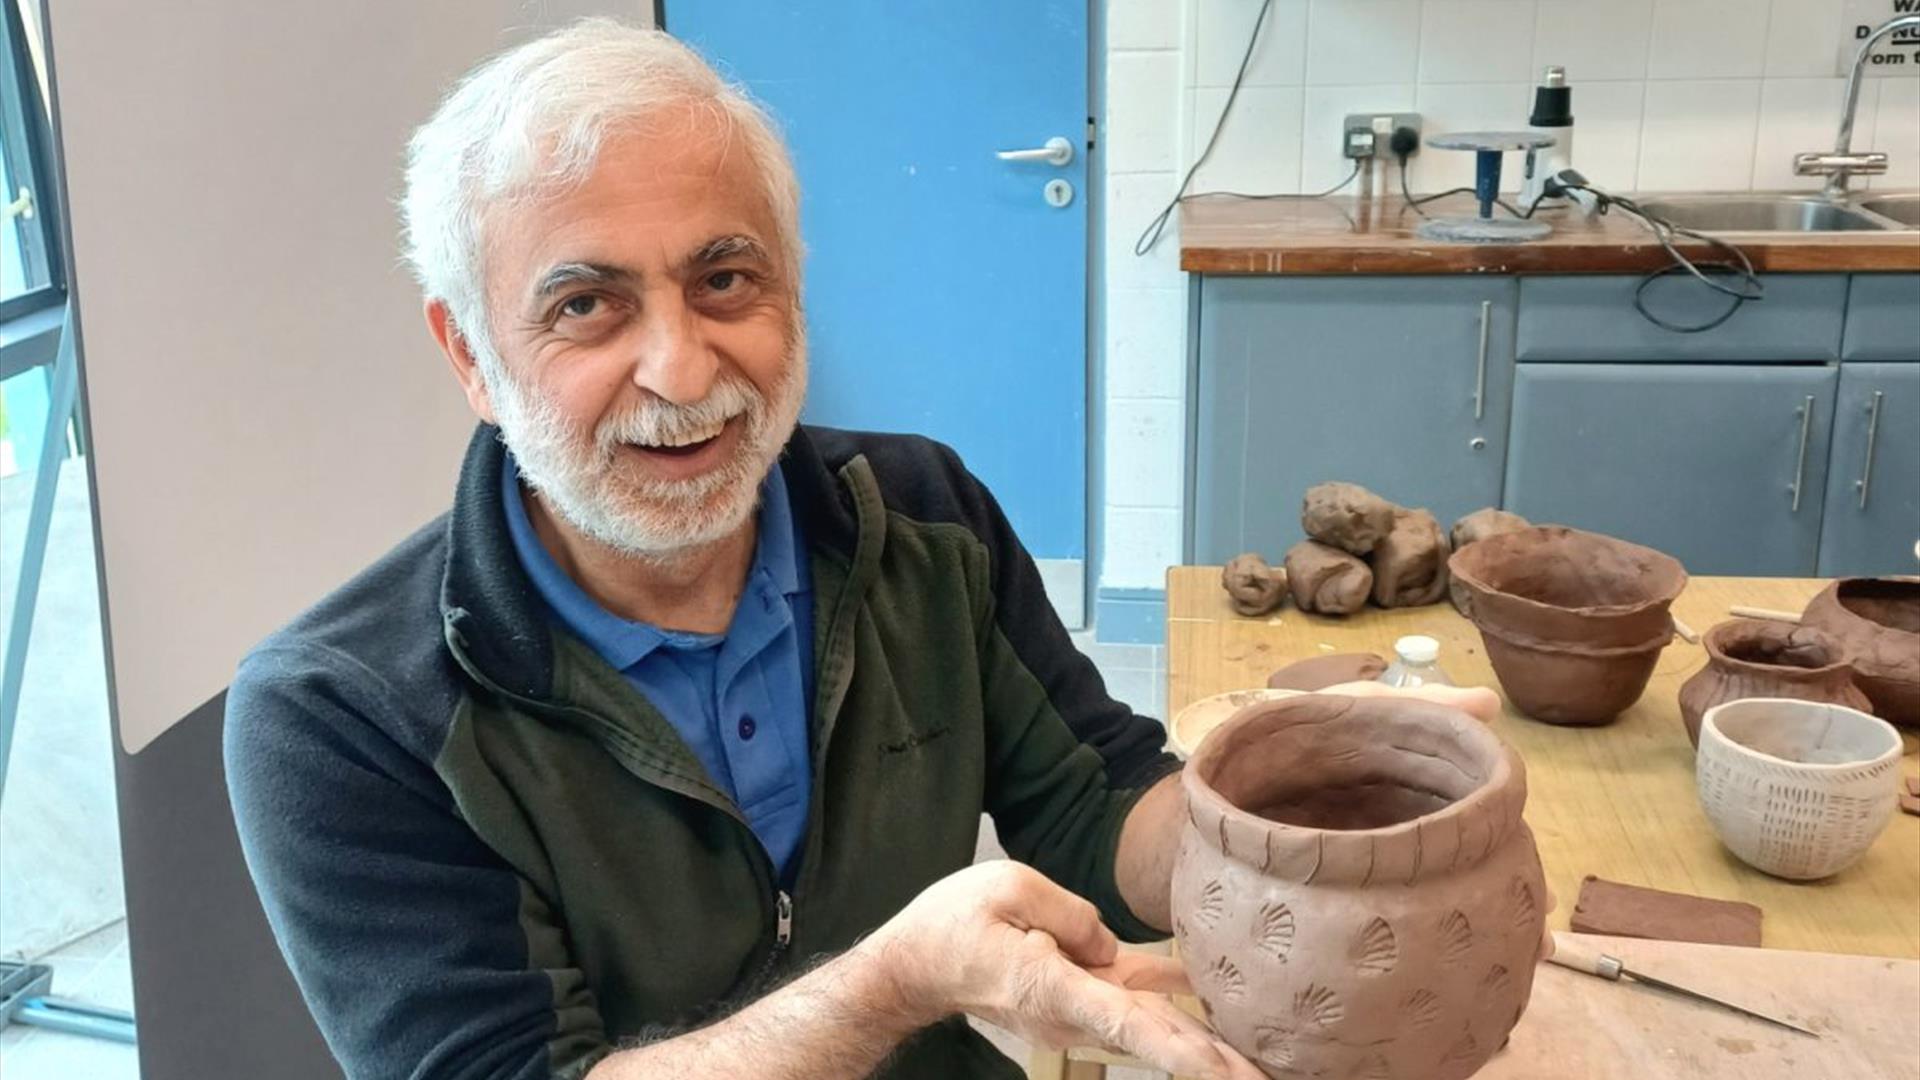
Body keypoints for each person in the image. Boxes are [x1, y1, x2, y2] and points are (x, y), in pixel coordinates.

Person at [224, 20, 1497, 1080]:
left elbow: (1094, 800)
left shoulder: (919, 515)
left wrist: (1273, 810)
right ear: (471, 358)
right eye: (585, 304)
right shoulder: (343, 716)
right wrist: (897, 982)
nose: (681, 366)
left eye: (726, 279)